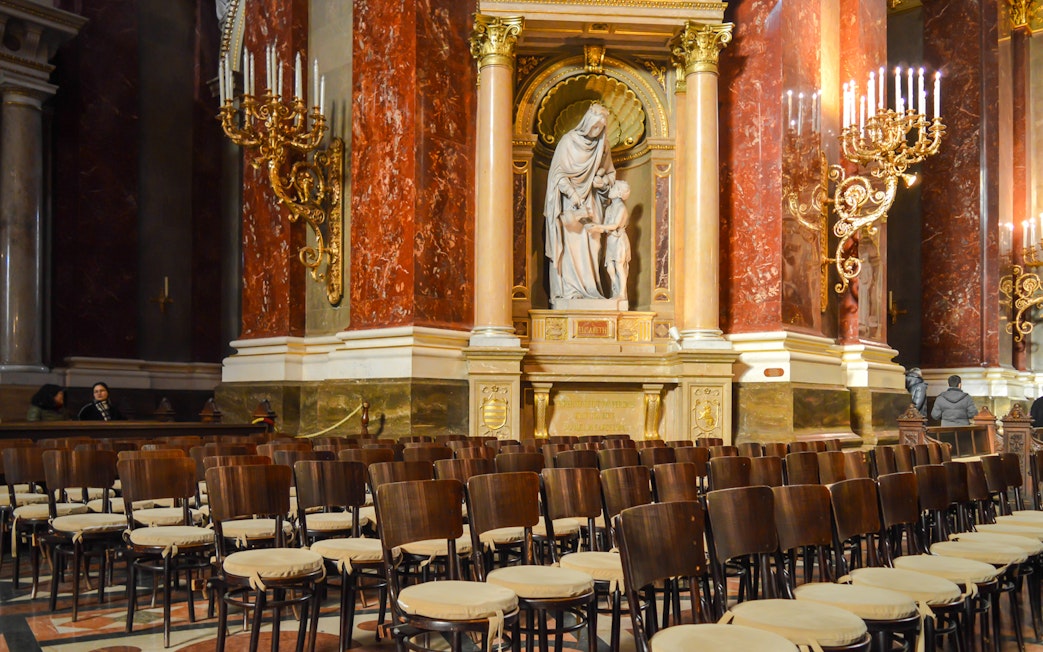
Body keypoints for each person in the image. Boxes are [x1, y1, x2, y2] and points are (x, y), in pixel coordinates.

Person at [543, 103, 615, 306]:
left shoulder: (603, 145)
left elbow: (611, 174)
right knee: (572, 247)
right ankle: (571, 291)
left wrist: (602, 182)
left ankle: (591, 289)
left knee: (593, 246)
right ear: (587, 123)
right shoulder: (568, 142)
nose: (597, 131)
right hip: (570, 203)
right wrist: (573, 194)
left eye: (601, 127)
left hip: (592, 203)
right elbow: (557, 175)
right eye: (594, 126)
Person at [588, 179, 631, 300]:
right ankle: (617, 290)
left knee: (619, 266)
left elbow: (614, 225)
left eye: (613, 188)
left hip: (619, 240)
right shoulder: (609, 208)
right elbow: (606, 228)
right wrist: (593, 227)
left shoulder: (622, 208)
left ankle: (622, 294)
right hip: (610, 240)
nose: (609, 190)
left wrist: (598, 227)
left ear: (618, 193)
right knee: (610, 268)